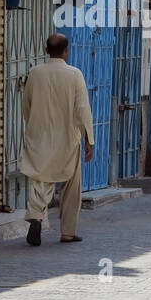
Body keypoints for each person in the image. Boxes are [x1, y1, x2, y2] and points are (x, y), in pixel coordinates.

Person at [20, 32, 94, 246]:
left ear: (46, 50)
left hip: (39, 136)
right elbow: (82, 110)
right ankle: (68, 232)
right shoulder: (74, 75)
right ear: (66, 51)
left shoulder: (35, 73)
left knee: (41, 179)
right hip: (67, 139)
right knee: (72, 184)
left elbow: (27, 105)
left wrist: (33, 124)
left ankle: (35, 215)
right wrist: (89, 140)